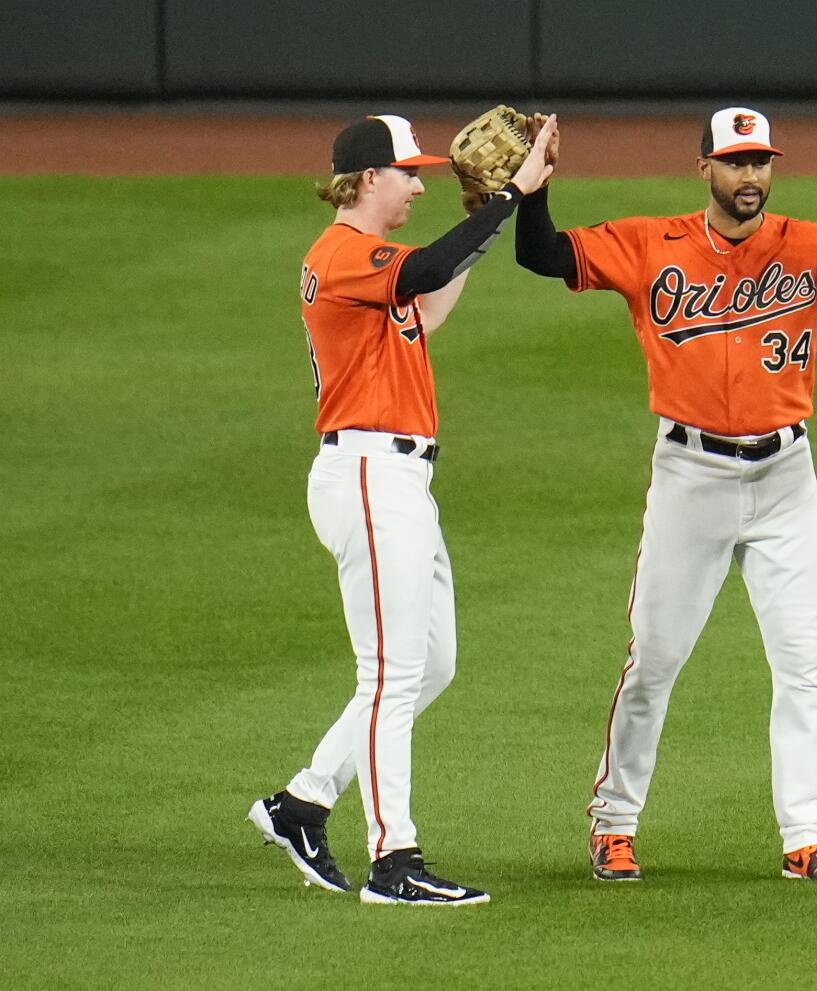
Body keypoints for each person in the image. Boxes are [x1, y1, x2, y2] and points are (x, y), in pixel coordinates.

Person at [515, 106, 817, 883]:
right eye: (736, 162)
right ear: (704, 167)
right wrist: (535, 190)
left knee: (801, 661)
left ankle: (806, 835)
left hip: (787, 478)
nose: (751, 176)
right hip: (691, 477)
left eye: (761, 162)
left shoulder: (815, 246)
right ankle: (613, 822)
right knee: (654, 659)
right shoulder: (652, 242)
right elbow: (542, 256)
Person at [248, 112, 557, 906]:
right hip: (367, 475)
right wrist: (510, 198)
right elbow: (421, 273)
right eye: (407, 173)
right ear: (364, 179)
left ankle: (304, 801)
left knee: (432, 663)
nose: (420, 183)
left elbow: (430, 299)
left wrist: (485, 218)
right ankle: (395, 861)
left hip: (397, 480)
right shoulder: (343, 253)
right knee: (389, 673)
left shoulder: (370, 264)